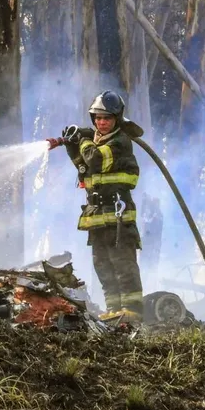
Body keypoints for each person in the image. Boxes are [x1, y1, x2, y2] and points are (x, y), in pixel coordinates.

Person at [47, 91, 145, 326]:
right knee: (102, 263)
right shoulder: (96, 140)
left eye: (107, 118)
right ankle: (113, 309)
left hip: (118, 215)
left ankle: (132, 310)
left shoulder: (120, 141)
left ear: (116, 119)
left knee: (123, 262)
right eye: (97, 118)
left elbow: (95, 160)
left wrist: (82, 139)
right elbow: (84, 167)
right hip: (98, 216)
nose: (101, 122)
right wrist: (71, 145)